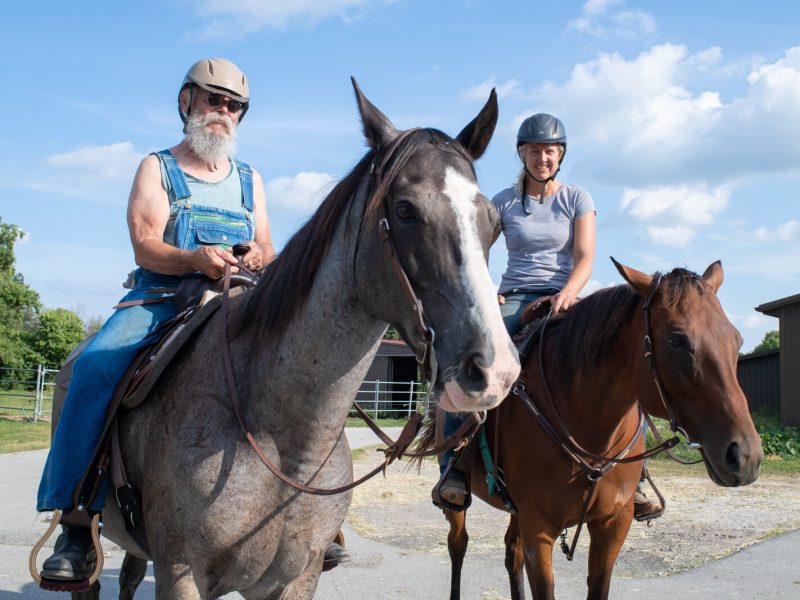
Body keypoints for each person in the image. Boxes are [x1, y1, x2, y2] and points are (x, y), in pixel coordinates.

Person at [36, 57, 277, 582]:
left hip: (237, 299)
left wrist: (258, 255)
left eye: (235, 106)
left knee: (296, 357)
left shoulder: (250, 178)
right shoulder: (156, 167)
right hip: (163, 298)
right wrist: (195, 258)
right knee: (91, 368)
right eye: (214, 100)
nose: (224, 112)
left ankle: (308, 520)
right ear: (187, 102)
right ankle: (76, 520)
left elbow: (265, 243)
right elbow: (145, 245)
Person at [433, 113, 596, 510]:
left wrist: (568, 293)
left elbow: (585, 256)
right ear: (522, 154)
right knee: (467, 359)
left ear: (561, 155)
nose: (543, 158)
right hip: (517, 297)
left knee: (616, 350)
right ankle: (453, 466)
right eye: (534, 151)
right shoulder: (503, 202)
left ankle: (637, 475)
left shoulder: (577, 198)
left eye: (550, 151)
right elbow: (475, 252)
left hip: (565, 296)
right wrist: (489, 294)